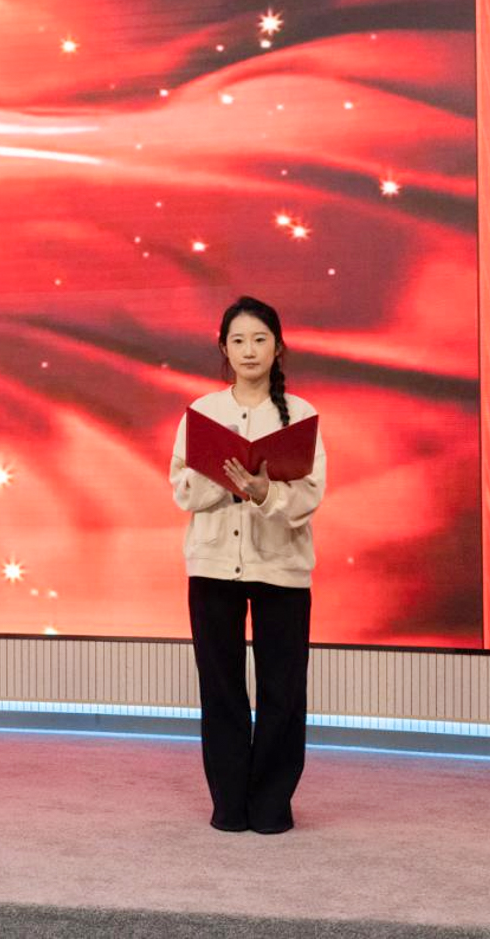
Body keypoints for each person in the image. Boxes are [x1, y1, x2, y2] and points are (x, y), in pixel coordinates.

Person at [169, 296, 326, 834]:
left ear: (278, 348)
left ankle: (271, 806)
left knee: (283, 691)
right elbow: (182, 490)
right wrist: (225, 476)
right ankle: (230, 805)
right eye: (238, 340)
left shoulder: (300, 415)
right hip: (213, 568)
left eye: (260, 339)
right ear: (224, 348)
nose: (249, 350)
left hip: (282, 568)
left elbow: (310, 496)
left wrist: (264, 493)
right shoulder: (202, 413)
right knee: (221, 690)